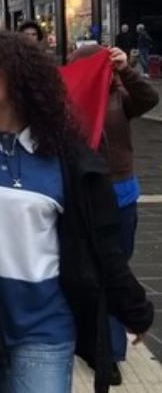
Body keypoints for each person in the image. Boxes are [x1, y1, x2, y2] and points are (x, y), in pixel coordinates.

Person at [0, 30, 153, 393]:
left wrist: (134, 309)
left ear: (20, 78)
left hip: (46, 331)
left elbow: (101, 243)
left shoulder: (67, 155)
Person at [69, 44, 159, 385]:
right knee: (87, 272)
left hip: (120, 193)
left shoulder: (121, 96)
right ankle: (95, 343)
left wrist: (125, 70)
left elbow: (149, 99)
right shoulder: (67, 99)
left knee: (114, 268)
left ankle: (110, 349)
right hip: (81, 196)